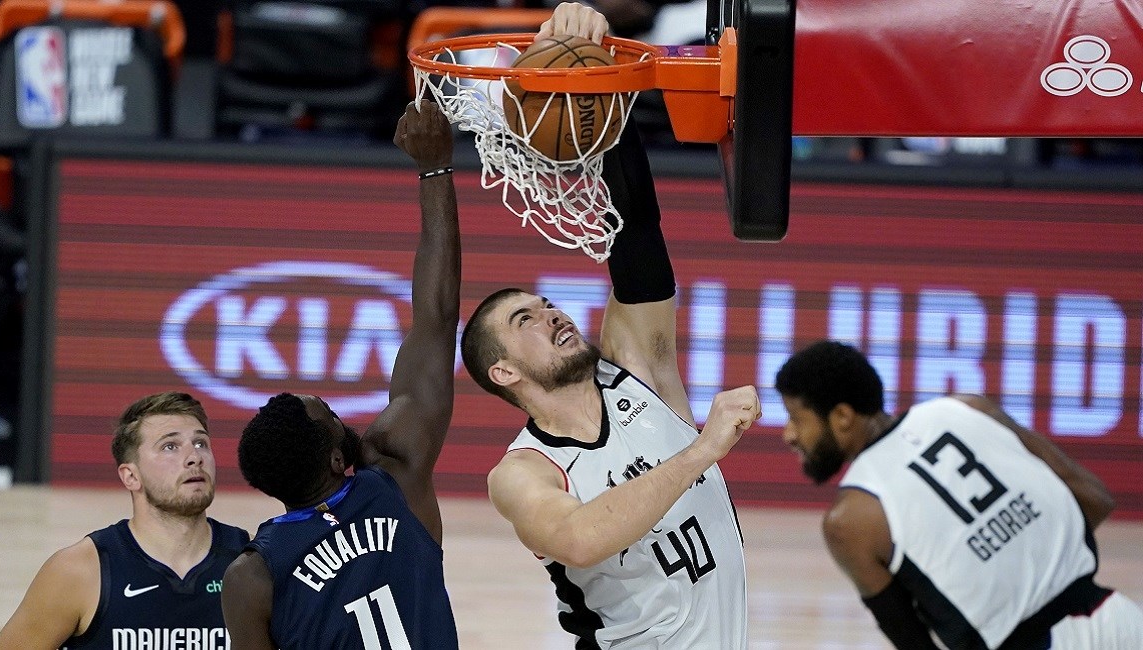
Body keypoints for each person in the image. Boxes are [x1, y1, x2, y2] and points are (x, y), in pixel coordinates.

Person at [458, 6, 757, 647]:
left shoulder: (637, 374)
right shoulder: (523, 473)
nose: (552, 314)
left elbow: (638, 234)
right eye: (525, 320)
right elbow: (578, 537)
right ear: (503, 371)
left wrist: (604, 83)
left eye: (545, 303)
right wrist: (702, 449)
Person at [220, 99, 461, 649]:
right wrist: (435, 169)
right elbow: (436, 317)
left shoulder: (251, 575)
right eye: (330, 413)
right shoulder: (396, 475)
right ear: (336, 458)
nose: (338, 411)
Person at [774, 340, 1143, 649]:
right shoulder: (967, 408)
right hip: (1119, 620)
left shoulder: (850, 519)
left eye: (797, 417)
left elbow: (915, 644)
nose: (789, 434)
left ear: (841, 416)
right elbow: (1094, 499)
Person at [0, 391, 249, 649]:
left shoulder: (251, 562)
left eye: (200, 443)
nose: (195, 457)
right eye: (170, 446)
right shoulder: (79, 572)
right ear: (130, 477)